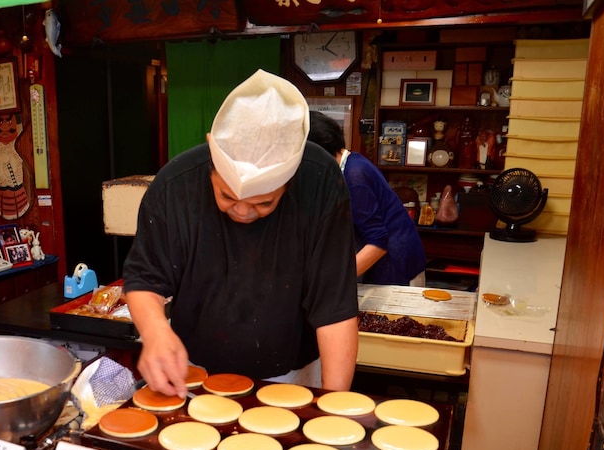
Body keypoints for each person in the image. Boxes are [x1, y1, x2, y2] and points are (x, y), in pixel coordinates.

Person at [123, 69, 359, 398]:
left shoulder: (320, 181)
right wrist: (155, 331)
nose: (243, 211)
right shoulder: (175, 185)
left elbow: (335, 305)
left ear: (291, 179)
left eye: (264, 203)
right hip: (193, 372)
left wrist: (334, 407)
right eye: (227, 197)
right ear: (211, 154)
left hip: (294, 375)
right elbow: (145, 278)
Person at [308, 110, 426, 286]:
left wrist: (334, 284)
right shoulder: (346, 165)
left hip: (397, 263)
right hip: (388, 258)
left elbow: (378, 241)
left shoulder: (355, 176)